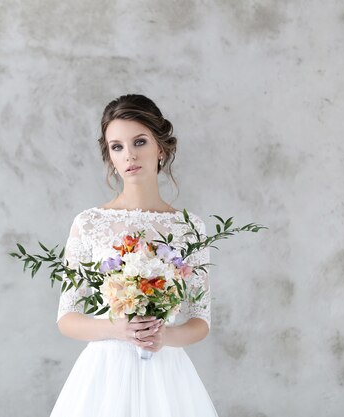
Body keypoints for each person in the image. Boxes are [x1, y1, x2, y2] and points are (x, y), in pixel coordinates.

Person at [50, 94, 219, 416]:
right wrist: (119, 329)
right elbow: (67, 318)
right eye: (117, 146)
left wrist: (164, 335)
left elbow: (200, 320)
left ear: (162, 147)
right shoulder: (89, 223)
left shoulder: (189, 227)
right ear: (110, 156)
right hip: (104, 378)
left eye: (139, 142)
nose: (129, 155)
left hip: (167, 375)